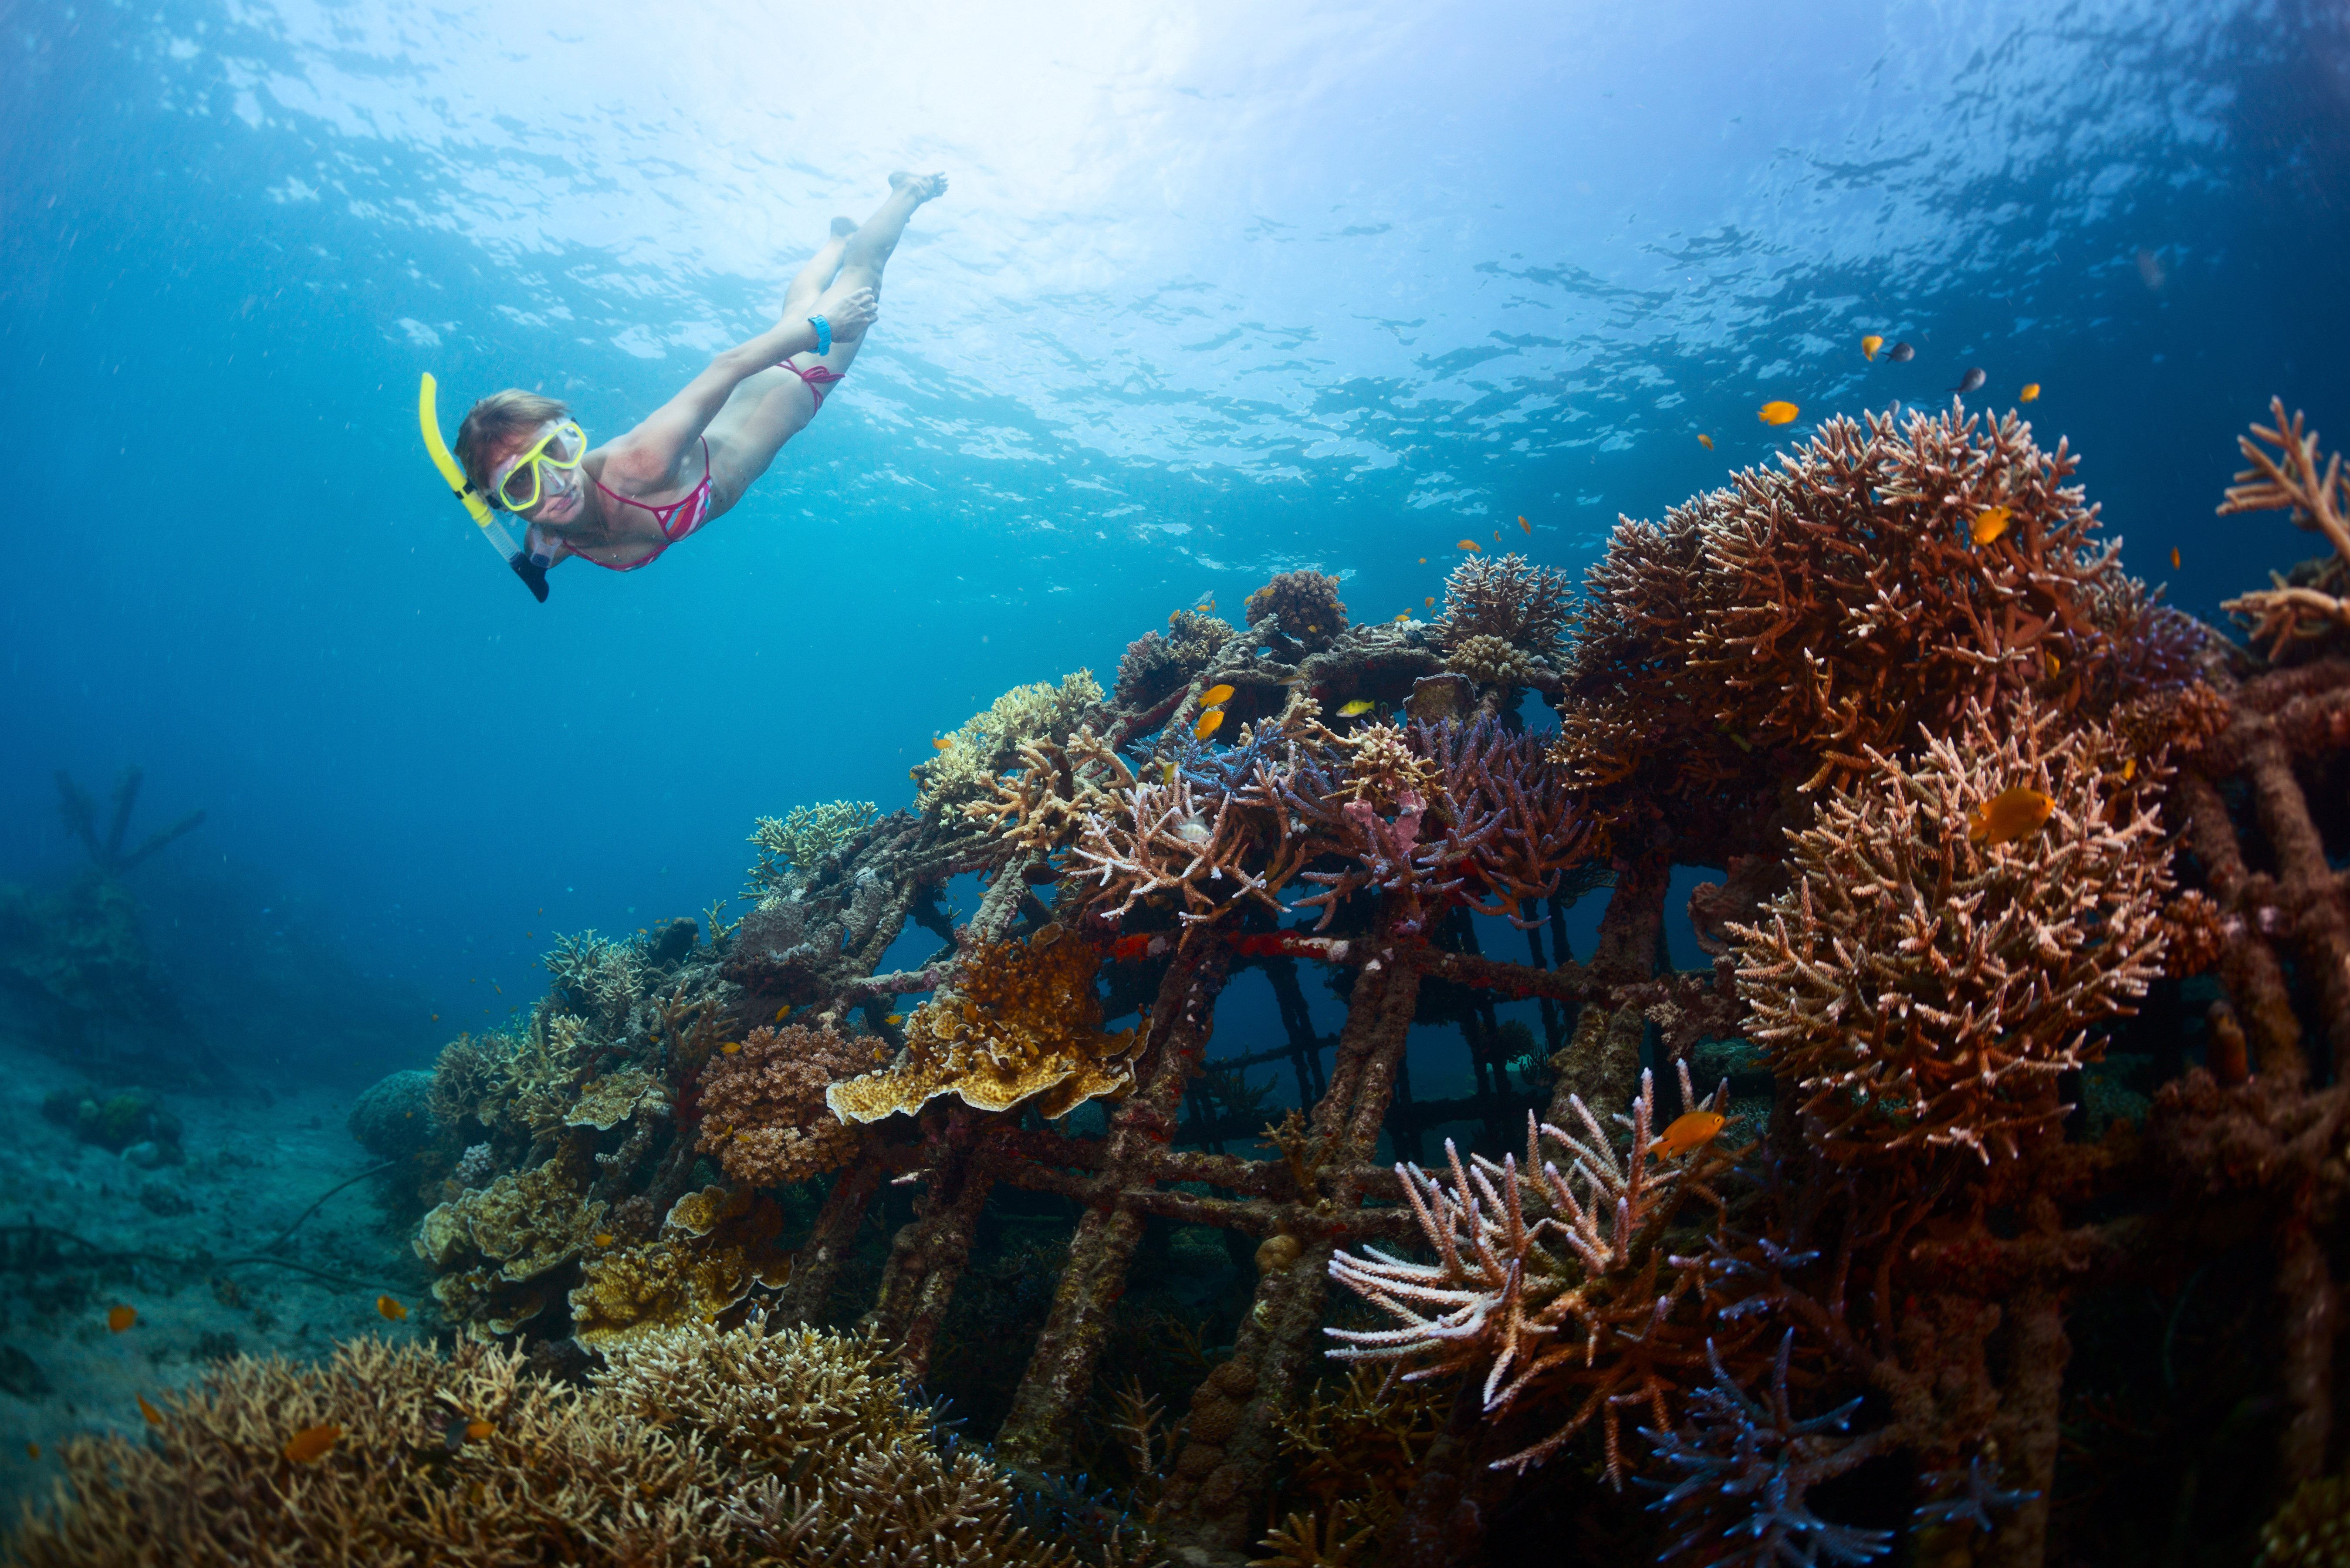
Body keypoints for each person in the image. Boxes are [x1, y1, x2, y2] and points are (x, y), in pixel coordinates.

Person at [450, 171, 945, 576]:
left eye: (555, 454)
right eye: (521, 484)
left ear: (571, 439)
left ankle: (908, 189)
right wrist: (538, 561)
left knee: (865, 273)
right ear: (500, 503)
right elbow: (542, 553)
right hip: (764, 378)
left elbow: (727, 367)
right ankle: (836, 240)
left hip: (802, 375)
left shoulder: (640, 462)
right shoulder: (546, 536)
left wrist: (824, 328)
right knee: (794, 308)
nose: (555, 486)